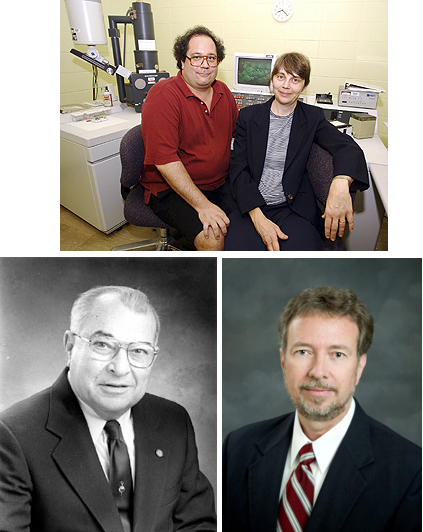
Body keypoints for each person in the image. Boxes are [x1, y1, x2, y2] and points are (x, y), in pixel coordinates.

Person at [0, 286, 216, 532]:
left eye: (138, 351)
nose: (121, 368)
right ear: (70, 346)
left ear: (152, 358)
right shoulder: (13, 435)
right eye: (103, 344)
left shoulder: (173, 421)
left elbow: (197, 524)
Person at [223, 287, 421, 531]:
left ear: (359, 366)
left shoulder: (411, 473)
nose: (318, 371)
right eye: (303, 351)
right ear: (284, 361)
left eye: (337, 354)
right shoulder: (237, 449)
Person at [220, 53, 370, 251]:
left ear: (304, 85)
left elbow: (347, 146)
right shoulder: (248, 117)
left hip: (292, 208)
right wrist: (257, 218)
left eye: (295, 79)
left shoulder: (312, 117)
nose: (286, 85)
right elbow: (238, 170)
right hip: (249, 205)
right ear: (272, 79)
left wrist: (341, 181)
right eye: (281, 77)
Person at [141, 26, 239, 251]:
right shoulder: (163, 96)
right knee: (213, 239)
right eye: (196, 57)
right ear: (182, 61)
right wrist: (203, 206)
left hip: (218, 183)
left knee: (249, 225)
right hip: (170, 189)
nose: (205, 64)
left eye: (211, 58)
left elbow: (240, 136)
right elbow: (165, 161)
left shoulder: (224, 92)